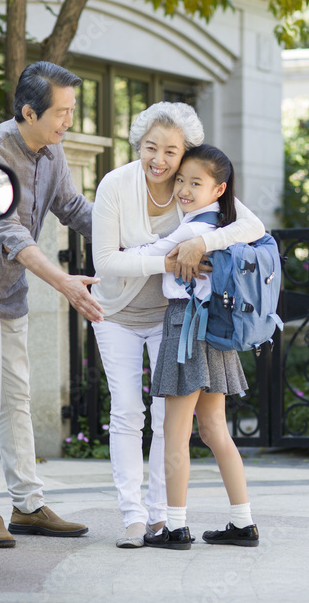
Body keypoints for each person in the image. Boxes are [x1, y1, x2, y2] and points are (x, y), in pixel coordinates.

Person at [0, 61, 104, 548]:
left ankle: (28, 505)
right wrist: (65, 284)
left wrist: (138, 246)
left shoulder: (52, 153)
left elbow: (75, 210)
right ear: (29, 111)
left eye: (72, 111)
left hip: (9, 293)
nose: (68, 122)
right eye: (61, 112)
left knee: (15, 396)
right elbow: (11, 233)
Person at [90, 103, 264, 548]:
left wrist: (203, 240)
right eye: (151, 148)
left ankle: (167, 521)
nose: (161, 161)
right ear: (139, 145)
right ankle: (139, 517)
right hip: (122, 313)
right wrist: (165, 259)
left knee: (175, 423)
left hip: (179, 323)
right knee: (132, 413)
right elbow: (106, 261)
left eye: (171, 152)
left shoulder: (196, 186)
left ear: (185, 153)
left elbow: (253, 225)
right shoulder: (117, 184)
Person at [134, 144, 258, 550]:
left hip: (184, 324)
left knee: (174, 433)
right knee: (215, 430)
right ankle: (243, 523)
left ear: (219, 189)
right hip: (216, 328)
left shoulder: (191, 230)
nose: (184, 189)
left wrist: (120, 253)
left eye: (195, 183)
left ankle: (175, 527)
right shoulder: (223, 227)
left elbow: (149, 256)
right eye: (181, 180)